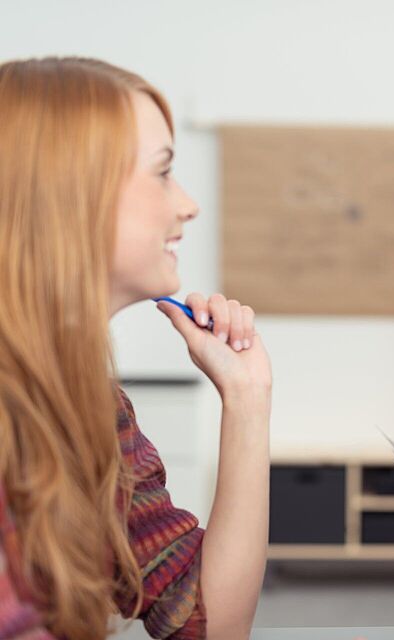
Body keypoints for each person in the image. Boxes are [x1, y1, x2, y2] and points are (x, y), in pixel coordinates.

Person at [0, 57, 272, 639]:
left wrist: (247, 398)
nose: (188, 205)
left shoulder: (92, 409)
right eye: (162, 172)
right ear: (69, 192)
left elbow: (209, 625)